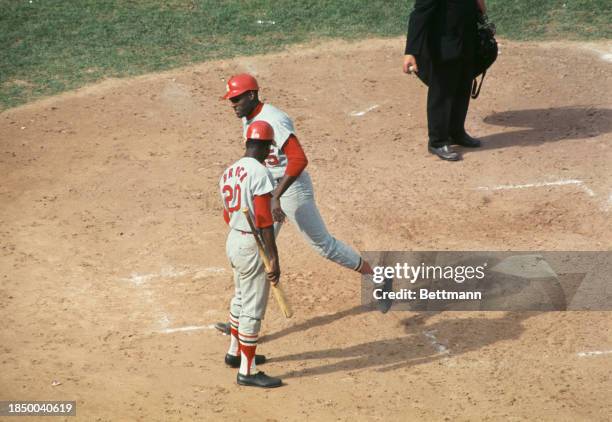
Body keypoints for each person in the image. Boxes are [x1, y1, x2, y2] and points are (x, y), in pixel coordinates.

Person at [217, 73, 393, 322]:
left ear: (252, 95)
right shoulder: (248, 118)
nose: (232, 104)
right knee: (258, 249)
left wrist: (277, 197)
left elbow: (299, 159)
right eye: (230, 100)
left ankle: (378, 277)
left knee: (323, 245)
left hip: (292, 187)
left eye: (236, 99)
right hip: (268, 188)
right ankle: (240, 318)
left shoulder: (274, 119)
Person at [219, 120, 282, 388]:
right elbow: (265, 220)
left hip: (233, 239)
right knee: (253, 308)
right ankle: (247, 370)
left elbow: (226, 213)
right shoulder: (259, 173)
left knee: (241, 297)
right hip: (252, 245)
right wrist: (273, 257)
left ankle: (234, 352)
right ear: (267, 146)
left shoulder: (228, 172)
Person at [403, 0, 487, 161]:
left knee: (463, 86)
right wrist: (410, 52)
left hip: (467, 39)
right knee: (442, 92)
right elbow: (419, 15)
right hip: (443, 46)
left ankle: (456, 132)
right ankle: (437, 141)